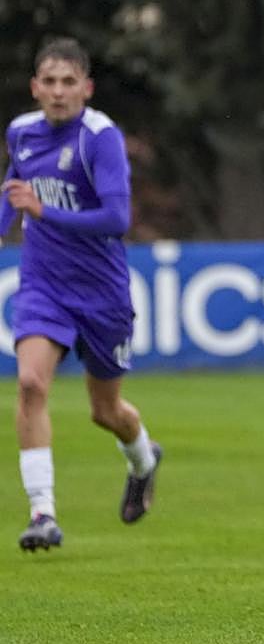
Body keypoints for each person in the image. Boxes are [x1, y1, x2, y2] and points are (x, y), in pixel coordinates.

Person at [3, 38, 161, 552]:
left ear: (86, 88)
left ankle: (143, 459)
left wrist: (44, 212)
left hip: (101, 293)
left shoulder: (100, 137)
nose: (57, 91)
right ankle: (42, 512)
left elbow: (117, 219)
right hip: (43, 285)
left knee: (105, 411)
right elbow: (13, 194)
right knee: (30, 383)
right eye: (48, 81)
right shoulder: (21, 132)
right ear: (35, 87)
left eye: (68, 81)